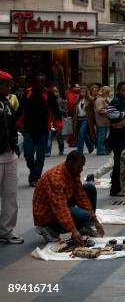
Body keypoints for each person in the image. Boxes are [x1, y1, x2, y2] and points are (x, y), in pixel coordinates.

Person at [33, 151, 104, 244]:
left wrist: (95, 221)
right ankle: (47, 228)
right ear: (70, 163)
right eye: (79, 167)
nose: (81, 170)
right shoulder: (55, 179)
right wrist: (73, 230)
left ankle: (84, 227)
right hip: (48, 215)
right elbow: (60, 209)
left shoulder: (73, 172)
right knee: (85, 216)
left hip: (62, 202)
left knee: (90, 188)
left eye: (82, 166)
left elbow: (82, 197)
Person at [17, 74, 62, 187]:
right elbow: (21, 110)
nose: (40, 83)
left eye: (42, 82)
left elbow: (55, 110)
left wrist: (58, 125)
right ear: (34, 82)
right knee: (28, 154)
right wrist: (16, 124)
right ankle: (34, 173)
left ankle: (35, 178)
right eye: (38, 81)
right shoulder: (27, 93)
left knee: (41, 156)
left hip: (43, 129)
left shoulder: (49, 94)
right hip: (29, 129)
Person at [0, 71, 23, 244]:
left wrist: (15, 148)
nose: (9, 88)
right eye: (6, 84)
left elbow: (13, 127)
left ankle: (6, 230)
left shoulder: (7, 103)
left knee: (10, 195)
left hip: (10, 155)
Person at [107, 82, 125, 196]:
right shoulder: (116, 101)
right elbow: (109, 114)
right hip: (118, 137)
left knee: (122, 162)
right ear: (118, 91)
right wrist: (124, 115)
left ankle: (119, 187)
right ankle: (116, 188)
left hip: (122, 136)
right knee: (119, 163)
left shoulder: (122, 101)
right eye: (123, 90)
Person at [73, 87, 95, 154]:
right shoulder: (78, 100)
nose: (82, 93)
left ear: (86, 92)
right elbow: (76, 110)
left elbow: (93, 110)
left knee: (81, 133)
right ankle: (90, 147)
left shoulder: (90, 100)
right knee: (83, 135)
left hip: (86, 119)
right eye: (81, 91)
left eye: (84, 91)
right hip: (78, 119)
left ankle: (79, 151)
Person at [46, 87, 66, 157]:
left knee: (59, 136)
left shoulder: (61, 100)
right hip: (50, 120)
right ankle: (48, 151)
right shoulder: (48, 100)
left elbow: (65, 111)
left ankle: (61, 149)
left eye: (56, 92)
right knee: (49, 136)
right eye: (53, 92)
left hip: (58, 120)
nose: (55, 93)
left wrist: (58, 109)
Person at [94, 86, 111, 155]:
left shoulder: (104, 99)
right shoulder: (100, 99)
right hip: (101, 121)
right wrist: (110, 111)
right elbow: (100, 110)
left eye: (108, 92)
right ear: (102, 91)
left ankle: (102, 149)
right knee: (101, 136)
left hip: (104, 121)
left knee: (103, 136)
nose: (107, 93)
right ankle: (100, 150)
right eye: (106, 92)